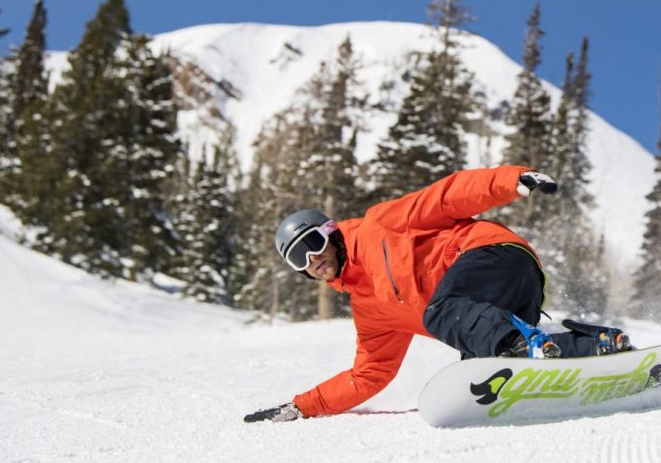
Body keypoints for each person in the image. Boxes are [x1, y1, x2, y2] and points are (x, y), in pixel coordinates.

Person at [244, 165, 631, 423]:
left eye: (312, 244)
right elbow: (367, 376)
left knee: (441, 312)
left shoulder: (381, 224)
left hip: (492, 255)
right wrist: (301, 406)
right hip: (497, 307)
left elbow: (446, 196)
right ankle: (592, 346)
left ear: (330, 232)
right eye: (298, 259)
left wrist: (510, 180)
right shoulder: (370, 312)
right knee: (483, 375)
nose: (312, 260)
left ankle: (523, 344)